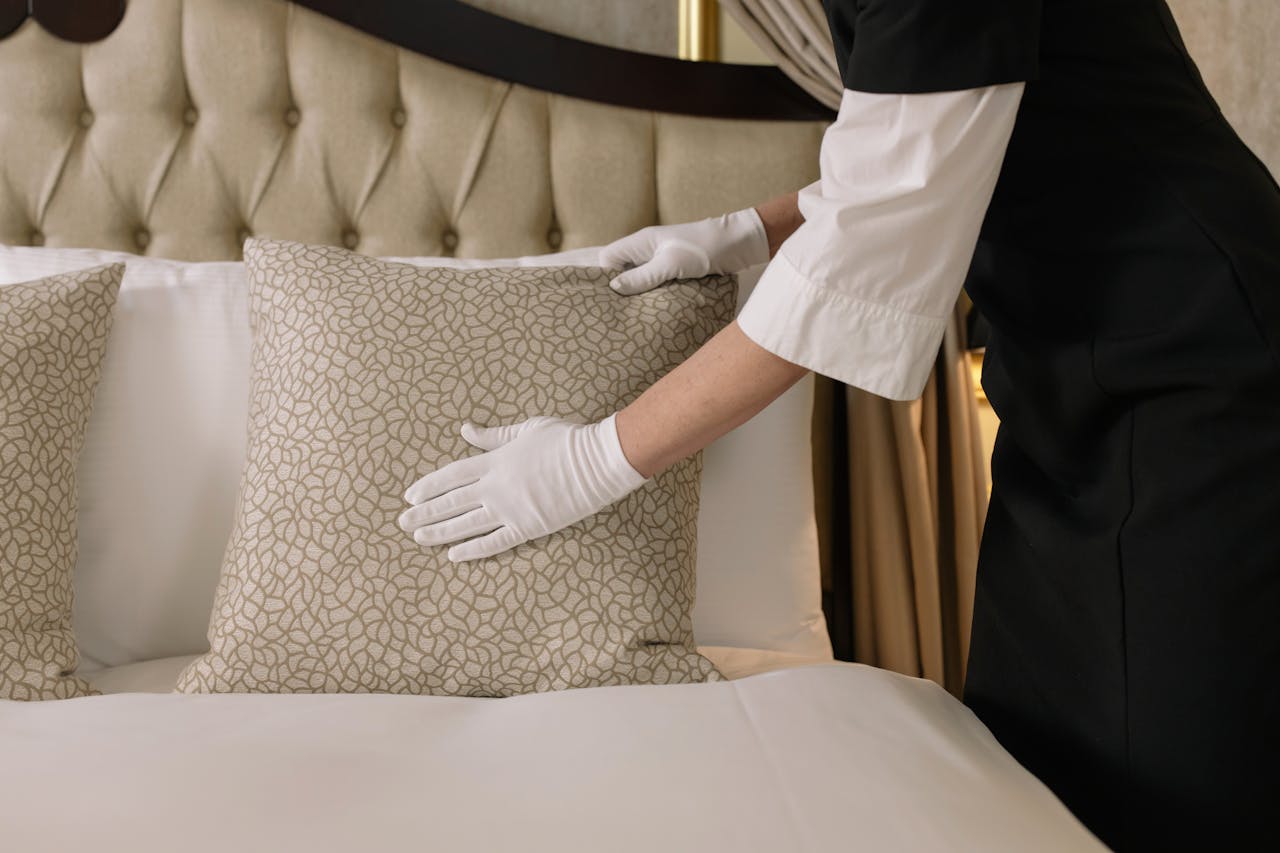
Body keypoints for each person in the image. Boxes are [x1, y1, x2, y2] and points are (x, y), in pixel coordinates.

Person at [397, 1, 1280, 848]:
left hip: (1194, 370)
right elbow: (917, 147)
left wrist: (589, 464)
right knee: (1032, 772)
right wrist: (747, 232)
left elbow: (878, 228)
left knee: (1167, 796)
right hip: (1071, 381)